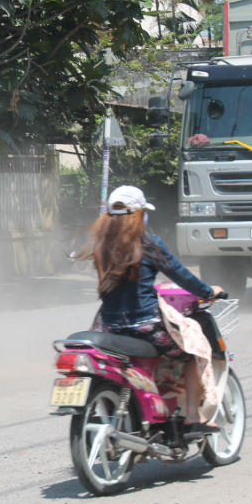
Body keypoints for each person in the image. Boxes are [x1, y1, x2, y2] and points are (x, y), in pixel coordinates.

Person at [78, 185, 224, 433]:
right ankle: (191, 416)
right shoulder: (150, 244)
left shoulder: (100, 246)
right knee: (193, 351)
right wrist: (209, 292)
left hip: (110, 327)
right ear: (138, 214)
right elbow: (182, 276)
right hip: (146, 326)